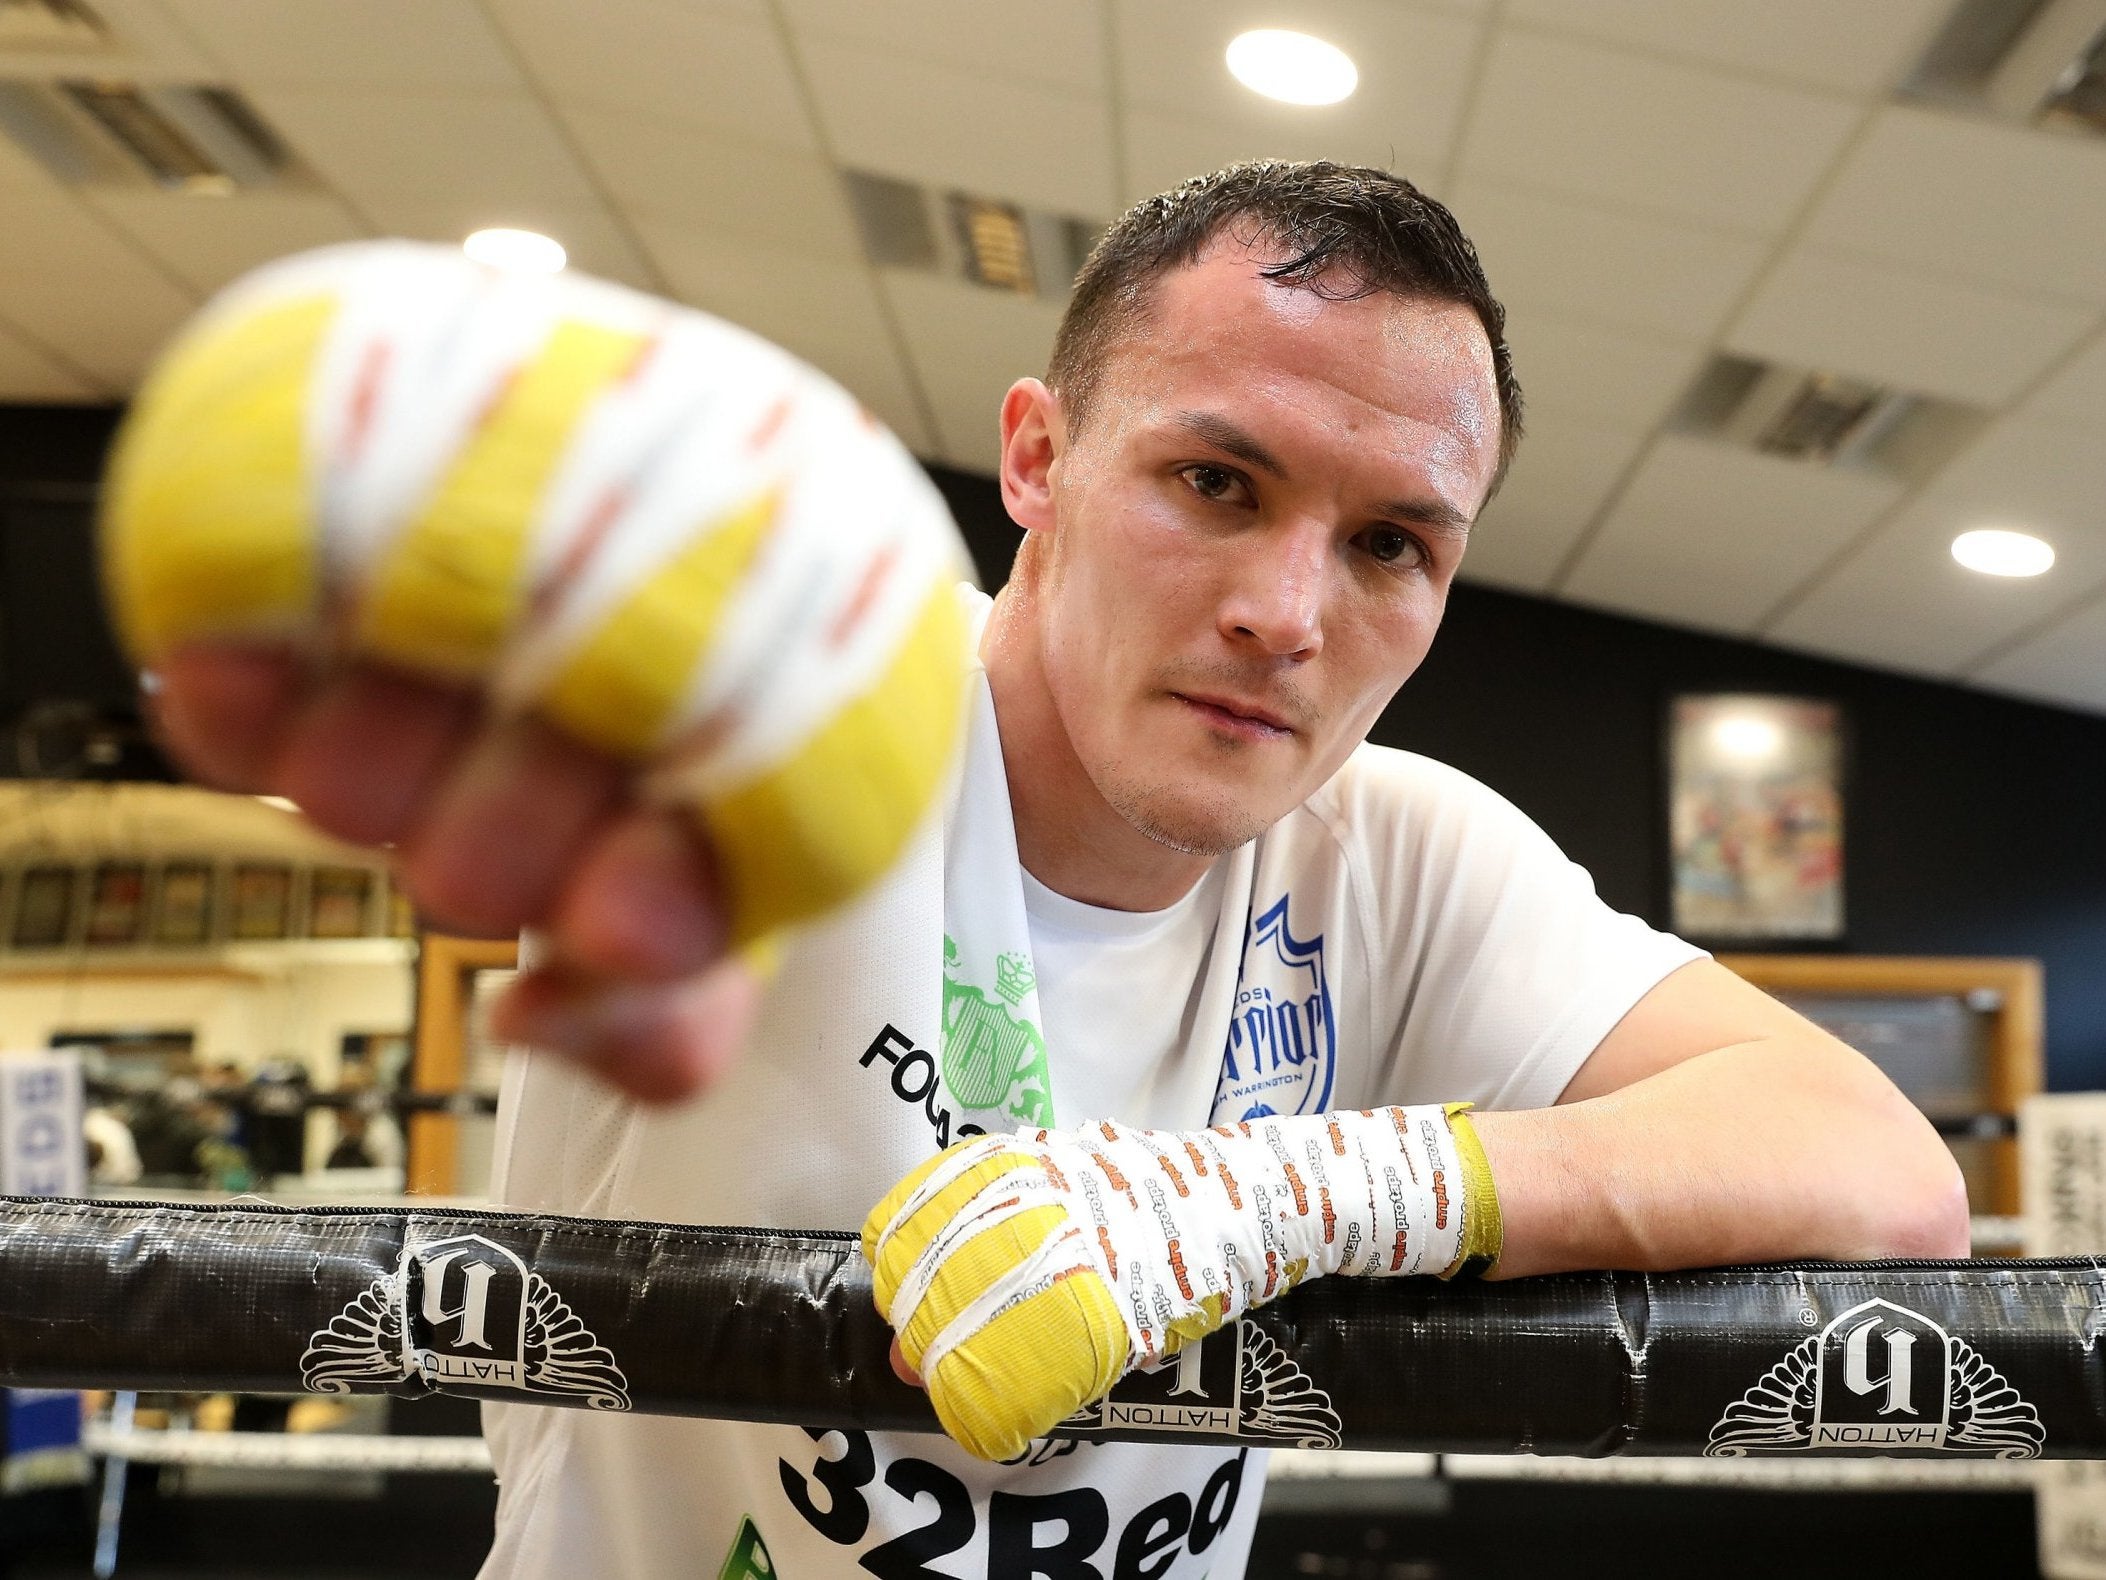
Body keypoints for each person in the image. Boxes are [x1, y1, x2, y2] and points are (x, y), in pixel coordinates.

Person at [145, 162, 1966, 1577]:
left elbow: (1879, 1172)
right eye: (1215, 483)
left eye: (1393, 543)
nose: (1283, 615)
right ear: (1038, 457)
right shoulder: (801, 693)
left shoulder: (1395, 854)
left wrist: (1294, 1197)